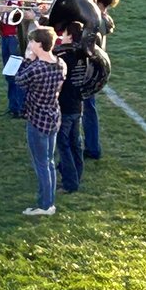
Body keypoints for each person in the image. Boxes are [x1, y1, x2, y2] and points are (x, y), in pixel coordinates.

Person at [15, 26, 67, 217]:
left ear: (39, 44)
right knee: (50, 161)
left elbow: (19, 81)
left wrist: (27, 60)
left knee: (41, 163)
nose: (30, 44)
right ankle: (49, 201)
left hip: (37, 120)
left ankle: (45, 205)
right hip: (53, 115)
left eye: (31, 41)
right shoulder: (60, 63)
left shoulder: (36, 68)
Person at [83, 0, 119, 160]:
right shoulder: (98, 18)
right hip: (91, 68)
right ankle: (91, 146)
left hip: (89, 70)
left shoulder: (99, 20)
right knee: (87, 108)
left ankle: (92, 147)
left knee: (87, 109)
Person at [0, 0, 35, 117]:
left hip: (17, 36)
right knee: (8, 73)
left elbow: (31, 15)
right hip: (5, 34)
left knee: (18, 73)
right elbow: (0, 8)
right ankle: (12, 105)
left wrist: (12, 8)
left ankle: (21, 107)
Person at [55, 21, 85, 195]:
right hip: (77, 105)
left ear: (71, 36)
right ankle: (77, 177)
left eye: (64, 33)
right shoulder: (83, 54)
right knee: (75, 144)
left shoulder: (64, 57)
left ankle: (70, 183)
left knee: (64, 145)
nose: (61, 36)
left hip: (65, 106)